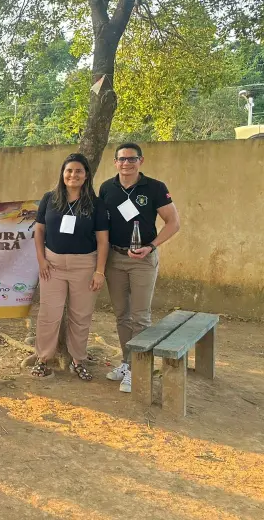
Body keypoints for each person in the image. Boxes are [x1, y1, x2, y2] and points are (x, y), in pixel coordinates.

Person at [99, 143, 181, 393]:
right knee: (122, 315)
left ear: (140, 161)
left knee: (140, 316)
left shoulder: (155, 188)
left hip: (142, 260)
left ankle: (139, 369)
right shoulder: (106, 188)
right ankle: (127, 362)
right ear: (115, 162)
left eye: (131, 159)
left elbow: (173, 223)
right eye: (122, 159)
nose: (126, 163)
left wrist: (152, 246)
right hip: (115, 257)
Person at [32, 153, 109, 380]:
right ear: (62, 174)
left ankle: (78, 359)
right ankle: (43, 358)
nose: (73, 175)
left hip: (84, 266)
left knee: (80, 316)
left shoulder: (96, 204)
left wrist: (99, 272)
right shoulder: (49, 198)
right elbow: (39, 231)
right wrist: (41, 260)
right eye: (69, 171)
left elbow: (103, 241)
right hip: (52, 265)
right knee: (49, 313)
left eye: (78, 171)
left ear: (86, 176)